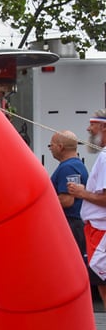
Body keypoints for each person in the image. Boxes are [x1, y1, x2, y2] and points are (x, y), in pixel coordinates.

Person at [67, 113, 106, 308]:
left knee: (102, 281)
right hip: (96, 229)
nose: (88, 130)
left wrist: (82, 193)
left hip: (101, 230)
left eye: (93, 125)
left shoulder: (105, 157)